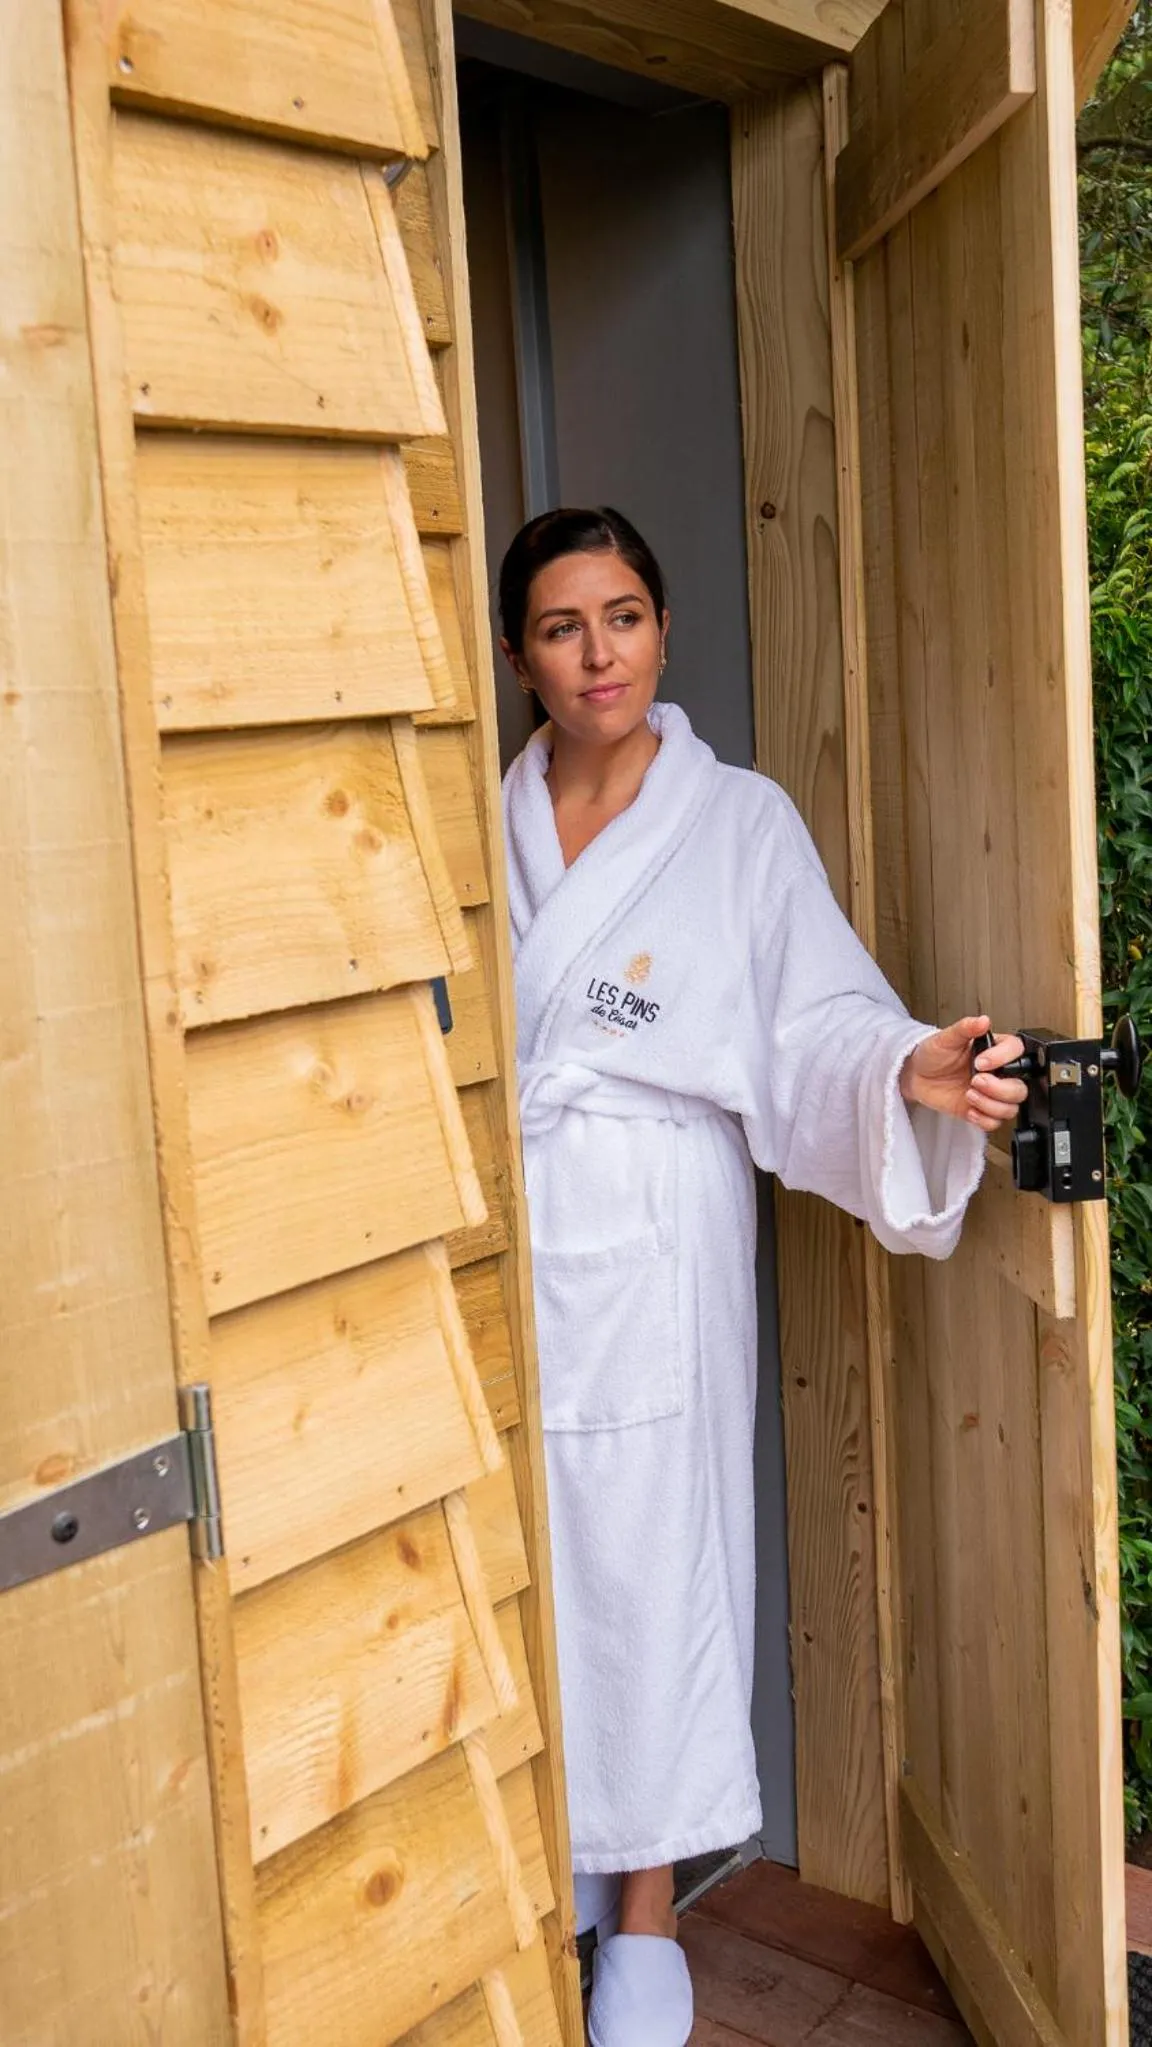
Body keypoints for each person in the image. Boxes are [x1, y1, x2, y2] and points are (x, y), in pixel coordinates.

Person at [498, 507, 1026, 2047]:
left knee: (653, 1556)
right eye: (560, 625)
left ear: (662, 629)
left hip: (655, 1237)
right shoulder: (492, 815)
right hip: (519, 1231)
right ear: (525, 659)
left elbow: (816, 1019)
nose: (598, 653)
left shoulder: (736, 823)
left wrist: (911, 1068)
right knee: (532, 1552)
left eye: (623, 616)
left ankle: (647, 1909)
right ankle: (549, 1883)